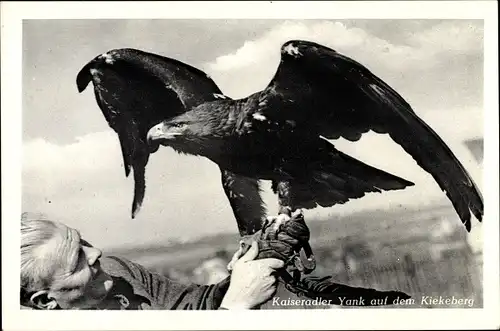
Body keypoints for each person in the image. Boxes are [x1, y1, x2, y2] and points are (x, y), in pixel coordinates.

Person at [20, 217, 284, 310]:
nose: (96, 252)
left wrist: (244, 272)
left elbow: (190, 306)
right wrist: (237, 306)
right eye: (78, 258)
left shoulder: (116, 273)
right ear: (45, 301)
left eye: (83, 242)